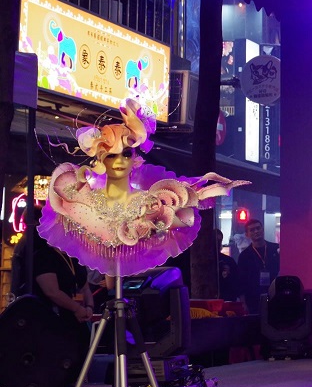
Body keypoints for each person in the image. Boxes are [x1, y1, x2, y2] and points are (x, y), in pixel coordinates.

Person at [38, 98, 249, 279]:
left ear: (134, 157)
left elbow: (178, 218)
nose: (119, 161)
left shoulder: (152, 202)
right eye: (111, 155)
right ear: (101, 159)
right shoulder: (82, 198)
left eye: (126, 154)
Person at [32, 235, 94, 358]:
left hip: (78, 319)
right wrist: (77, 308)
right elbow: (52, 291)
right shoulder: (44, 256)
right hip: (54, 318)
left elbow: (85, 287)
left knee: (82, 353)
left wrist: (89, 307)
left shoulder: (75, 257)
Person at [236, 219, 279, 313]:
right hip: (253, 301)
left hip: (276, 297)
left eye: (258, 228)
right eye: (252, 230)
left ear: (262, 229)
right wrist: (243, 303)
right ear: (247, 234)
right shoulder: (244, 256)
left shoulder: (275, 249)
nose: (256, 231)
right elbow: (241, 282)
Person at [216, 228, 240, 301]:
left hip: (226, 299)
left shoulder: (228, 261)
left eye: (219, 241)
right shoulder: (202, 262)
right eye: (215, 240)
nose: (217, 243)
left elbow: (236, 282)